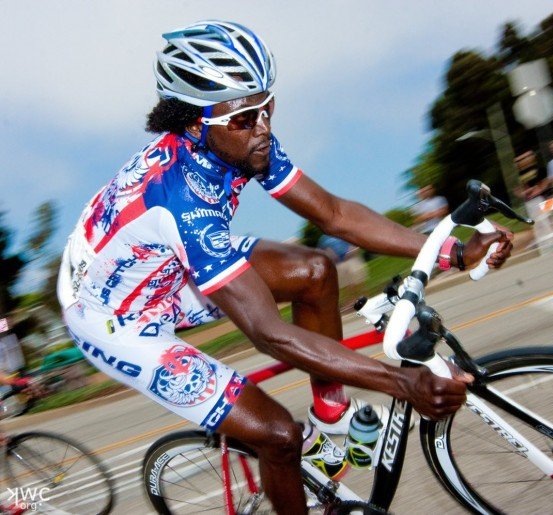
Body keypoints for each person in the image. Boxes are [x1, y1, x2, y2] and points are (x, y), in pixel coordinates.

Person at [57, 21, 513, 513]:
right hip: (117, 319)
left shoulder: (239, 142)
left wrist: (450, 248)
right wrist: (402, 383)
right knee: (277, 434)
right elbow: (269, 334)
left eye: (266, 106)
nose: (263, 128)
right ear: (194, 123)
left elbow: (333, 214)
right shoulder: (181, 202)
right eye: (244, 118)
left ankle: (330, 426)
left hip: (167, 267)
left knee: (316, 271)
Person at [513, 150, 553, 254]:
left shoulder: (538, 169)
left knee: (545, 220)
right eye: (519, 160)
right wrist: (524, 193)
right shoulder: (520, 175)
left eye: (524, 158)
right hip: (529, 201)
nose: (521, 162)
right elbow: (517, 189)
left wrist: (536, 190)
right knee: (536, 224)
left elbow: (545, 182)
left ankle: (552, 242)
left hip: (540, 198)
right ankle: (544, 245)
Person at [316, 235, 368, 311]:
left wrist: (351, 251)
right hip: (337, 263)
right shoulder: (323, 238)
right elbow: (319, 251)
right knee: (344, 283)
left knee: (357, 279)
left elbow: (355, 242)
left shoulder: (340, 232)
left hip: (351, 258)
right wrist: (327, 254)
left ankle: (363, 297)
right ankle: (350, 302)